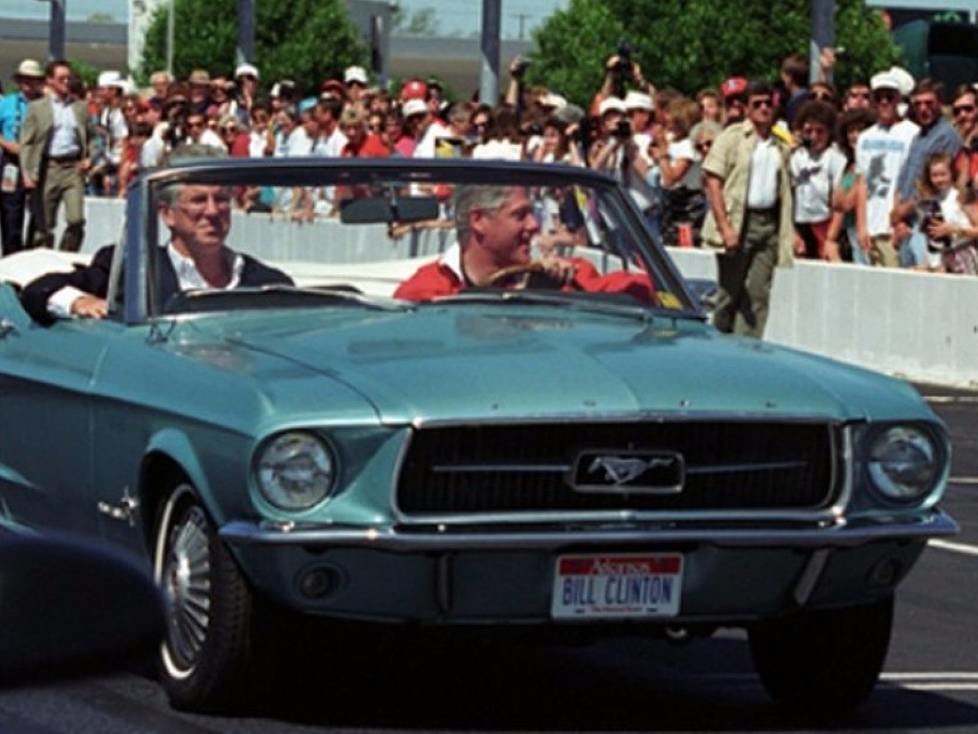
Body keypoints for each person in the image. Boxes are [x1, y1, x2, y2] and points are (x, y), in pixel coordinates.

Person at [21, 144, 292, 325]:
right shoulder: (131, 271)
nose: (212, 211)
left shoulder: (267, 283)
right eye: (198, 200)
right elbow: (39, 291)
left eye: (221, 199)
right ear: (167, 214)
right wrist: (80, 301)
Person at [394, 185, 656, 303]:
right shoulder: (427, 290)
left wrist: (560, 294)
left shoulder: (565, 275)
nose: (534, 225)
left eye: (533, 214)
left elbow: (644, 291)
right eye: (520, 215)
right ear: (479, 221)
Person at [701, 80, 795, 338]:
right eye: (757, 104)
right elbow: (713, 180)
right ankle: (719, 341)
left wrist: (788, 231)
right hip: (739, 220)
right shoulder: (732, 138)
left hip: (768, 222)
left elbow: (785, 189)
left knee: (758, 294)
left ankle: (749, 348)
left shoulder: (780, 144)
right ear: (747, 109)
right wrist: (725, 227)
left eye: (768, 103)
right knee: (729, 293)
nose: (764, 108)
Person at [19, 59, 93, 252]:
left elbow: (92, 136)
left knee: (76, 219)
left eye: (69, 78)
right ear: (50, 81)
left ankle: (66, 255)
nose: (66, 82)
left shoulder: (80, 108)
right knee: (44, 224)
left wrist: (89, 158)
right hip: (47, 167)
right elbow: (26, 142)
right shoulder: (38, 108)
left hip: (72, 167)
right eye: (61, 78)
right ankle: (42, 259)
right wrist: (27, 173)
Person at [853, 71, 919, 267]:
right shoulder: (865, 137)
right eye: (878, 97)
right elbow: (861, 182)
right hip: (870, 229)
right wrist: (862, 225)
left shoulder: (912, 133)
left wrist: (902, 220)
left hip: (896, 229)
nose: (884, 102)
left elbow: (915, 182)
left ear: (899, 99)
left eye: (889, 97)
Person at [789, 100, 846, 260]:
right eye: (809, 131)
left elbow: (842, 193)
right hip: (800, 222)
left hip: (825, 222)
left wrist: (831, 236)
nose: (814, 136)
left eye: (820, 131)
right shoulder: (796, 156)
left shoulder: (835, 157)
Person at [0, 59, 45, 255]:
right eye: (24, 79)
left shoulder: (45, 106)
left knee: (39, 214)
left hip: (38, 162)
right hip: (12, 162)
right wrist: (6, 143)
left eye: (32, 80)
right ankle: (11, 258)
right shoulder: (7, 103)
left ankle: (32, 253)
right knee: (11, 214)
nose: (28, 84)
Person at [914, 152, 978, 274]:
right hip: (944, 259)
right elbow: (933, 240)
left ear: (952, 173)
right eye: (934, 175)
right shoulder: (930, 202)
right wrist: (930, 263)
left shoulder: (961, 196)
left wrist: (954, 230)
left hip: (965, 255)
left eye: (943, 174)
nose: (939, 179)